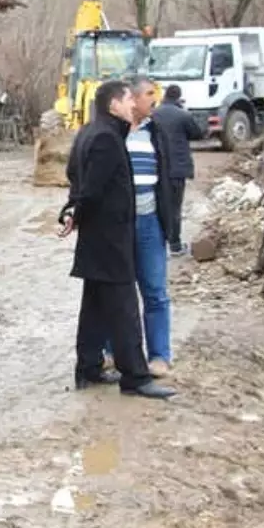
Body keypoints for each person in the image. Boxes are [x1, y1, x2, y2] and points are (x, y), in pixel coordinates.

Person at [60, 79, 174, 400]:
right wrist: (77, 212)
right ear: (113, 105)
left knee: (94, 307)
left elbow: (78, 182)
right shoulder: (107, 139)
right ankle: (136, 377)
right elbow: (92, 189)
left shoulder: (90, 132)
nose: (132, 105)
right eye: (127, 100)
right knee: (124, 311)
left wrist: (72, 212)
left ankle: (89, 368)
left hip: (97, 241)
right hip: (110, 240)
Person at [122, 78, 179, 378]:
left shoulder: (157, 133)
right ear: (131, 98)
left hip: (149, 223)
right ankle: (113, 352)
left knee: (155, 290)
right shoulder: (112, 132)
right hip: (118, 225)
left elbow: (170, 177)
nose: (154, 100)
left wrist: (170, 222)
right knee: (118, 290)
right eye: (148, 95)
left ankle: (159, 355)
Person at [149, 84, 206, 256]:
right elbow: (197, 133)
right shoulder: (183, 115)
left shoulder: (154, 114)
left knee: (158, 204)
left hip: (157, 166)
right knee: (174, 207)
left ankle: (158, 243)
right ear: (179, 97)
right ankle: (175, 245)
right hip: (176, 168)